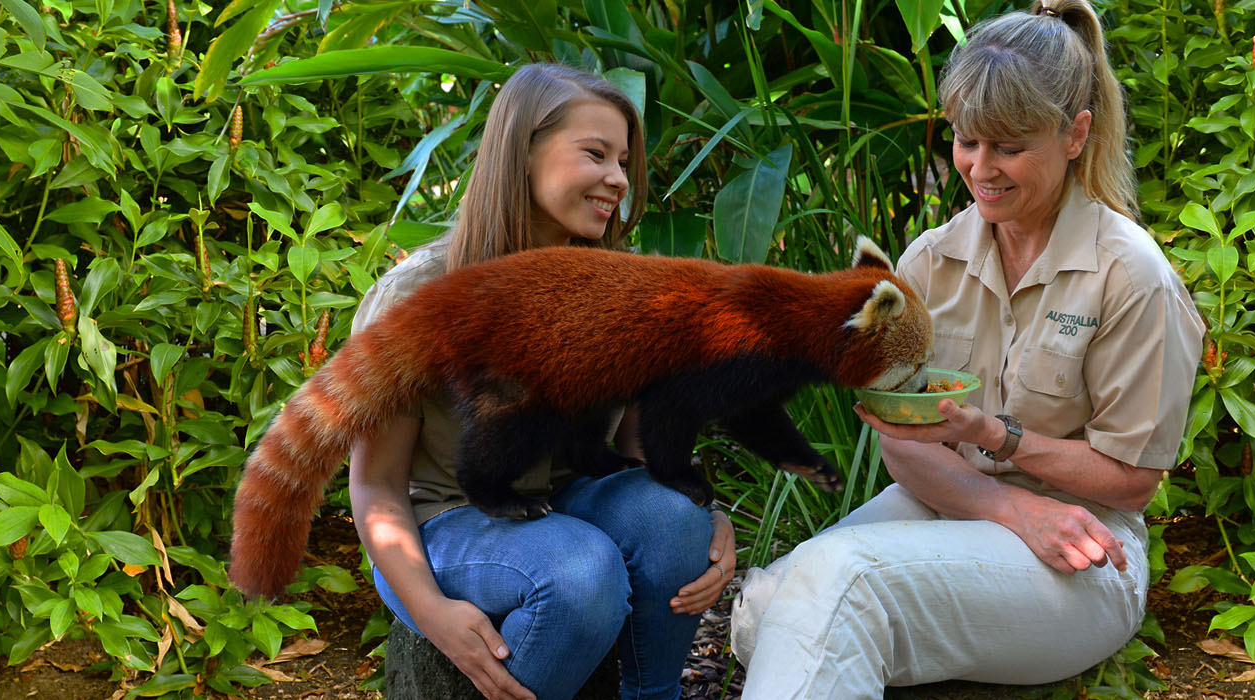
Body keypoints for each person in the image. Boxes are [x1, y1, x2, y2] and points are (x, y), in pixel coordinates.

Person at [728, 0, 1205, 694]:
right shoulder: (930, 259)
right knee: (761, 612)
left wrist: (997, 437)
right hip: (950, 504)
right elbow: (904, 439)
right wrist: (1005, 506)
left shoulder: (1130, 275)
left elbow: (1132, 478)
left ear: (1075, 134)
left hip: (1088, 544)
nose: (981, 168)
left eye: (1009, 146)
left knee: (842, 587)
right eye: (966, 140)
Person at [349, 63, 738, 700]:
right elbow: (377, 486)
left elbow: (639, 458)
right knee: (579, 572)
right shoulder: (418, 296)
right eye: (596, 154)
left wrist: (701, 517)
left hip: (567, 498)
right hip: (441, 522)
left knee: (673, 523)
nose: (618, 179)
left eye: (623, 161)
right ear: (521, 152)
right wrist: (433, 614)